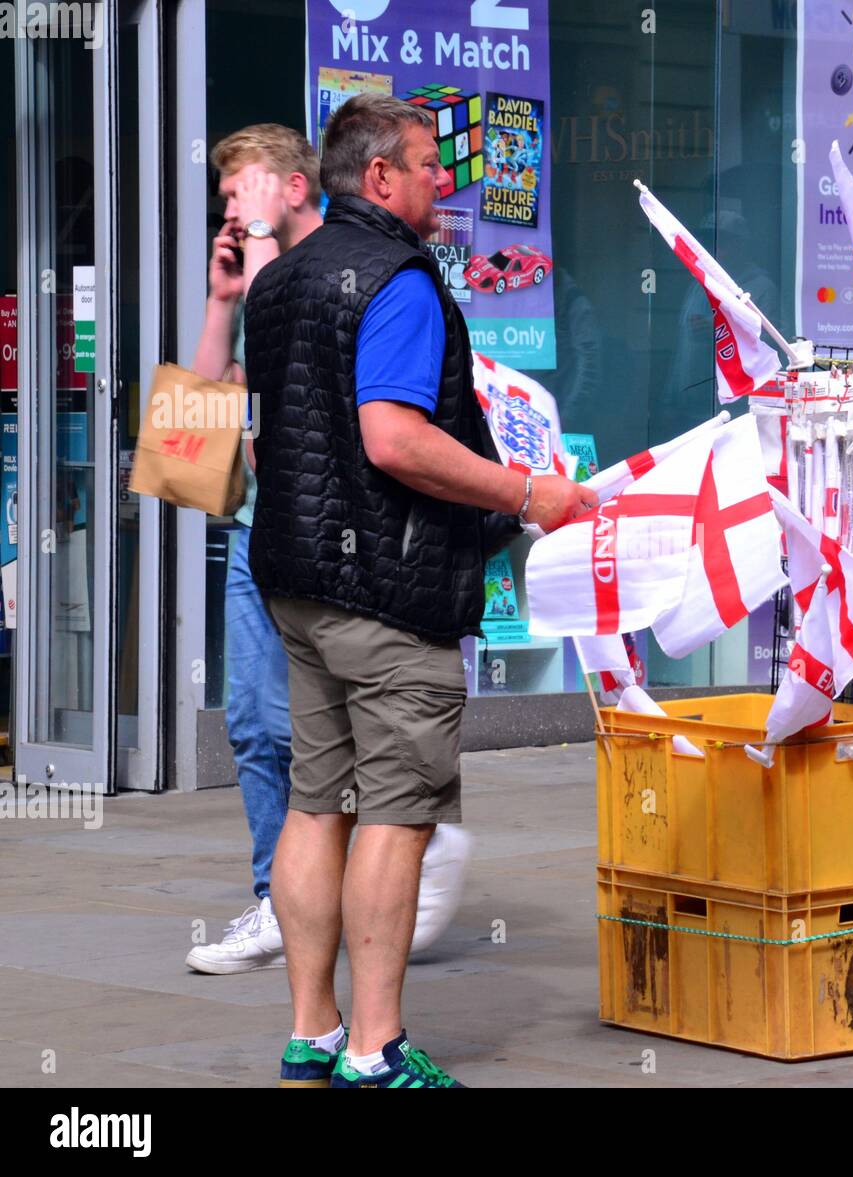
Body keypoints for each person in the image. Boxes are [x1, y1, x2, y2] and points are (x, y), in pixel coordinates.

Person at [243, 93, 596, 1088]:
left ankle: (314, 1030)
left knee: (316, 804)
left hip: (298, 582)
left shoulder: (280, 283)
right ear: (379, 178)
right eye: (430, 163)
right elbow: (393, 438)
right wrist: (528, 492)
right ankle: (376, 1047)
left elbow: (278, 437)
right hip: (389, 591)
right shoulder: (397, 279)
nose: (449, 178)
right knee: (396, 813)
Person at [185, 124, 472, 976]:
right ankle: (288, 902)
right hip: (267, 540)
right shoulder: (266, 291)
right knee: (256, 728)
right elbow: (198, 431)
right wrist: (221, 302)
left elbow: (390, 431)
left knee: (335, 751)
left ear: (297, 188)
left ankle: (390, 869)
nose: (229, 208)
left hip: (354, 556)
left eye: (242, 189)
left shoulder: (367, 276)